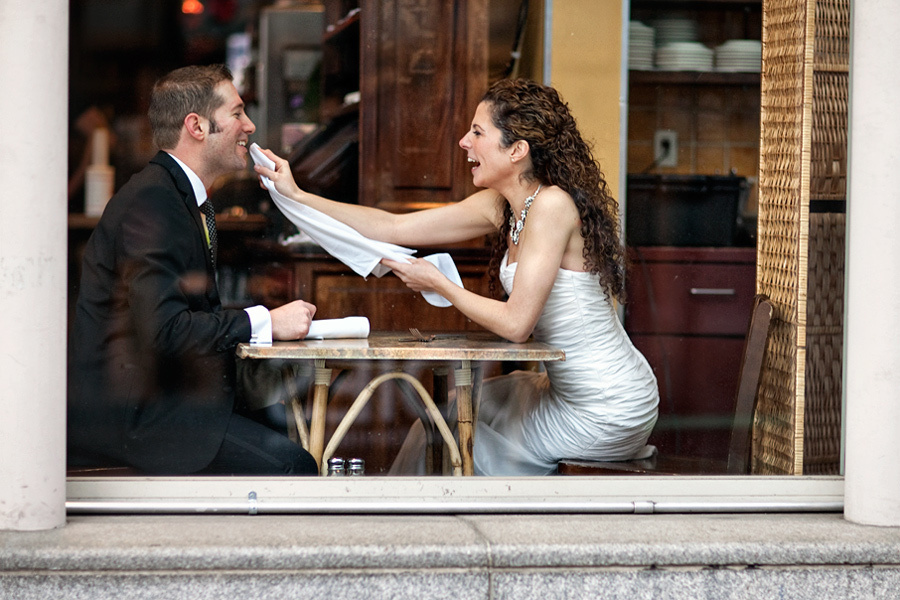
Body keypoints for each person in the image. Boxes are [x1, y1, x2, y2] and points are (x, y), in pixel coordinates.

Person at [254, 78, 660, 476]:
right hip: (568, 394)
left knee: (447, 438)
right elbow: (392, 227)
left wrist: (440, 284)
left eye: (478, 132)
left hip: (606, 406)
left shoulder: (552, 206)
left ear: (517, 150)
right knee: (441, 418)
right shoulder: (501, 206)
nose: (465, 142)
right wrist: (298, 195)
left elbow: (517, 325)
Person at [68, 65, 319, 475]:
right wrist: (265, 321)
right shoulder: (154, 201)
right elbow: (164, 330)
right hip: (141, 419)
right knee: (295, 467)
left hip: (170, 402)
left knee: (288, 423)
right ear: (197, 126)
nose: (250, 125)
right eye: (237, 113)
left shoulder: (175, 194)